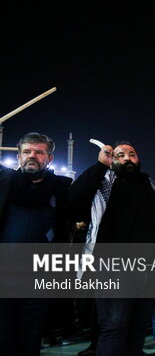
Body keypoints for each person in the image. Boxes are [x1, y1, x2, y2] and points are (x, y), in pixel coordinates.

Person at [69, 141, 155, 356]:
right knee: (114, 326)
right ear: (112, 160)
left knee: (139, 327)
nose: (126, 159)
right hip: (112, 267)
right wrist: (100, 166)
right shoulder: (103, 183)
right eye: (120, 155)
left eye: (131, 154)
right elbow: (74, 200)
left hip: (146, 268)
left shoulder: (151, 186)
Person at [0, 132, 72, 356]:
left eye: (39, 152)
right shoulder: (4, 184)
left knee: (31, 339)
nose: (32, 156)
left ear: (49, 158)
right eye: (27, 152)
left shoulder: (61, 188)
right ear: (19, 156)